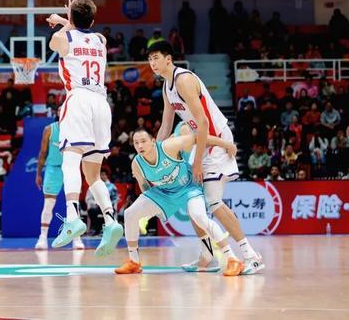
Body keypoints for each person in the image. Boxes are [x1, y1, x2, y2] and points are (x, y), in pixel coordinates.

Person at [149, 41, 264, 275]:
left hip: (215, 139)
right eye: (150, 59)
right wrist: (154, 155)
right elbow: (166, 125)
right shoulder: (167, 87)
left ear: (168, 59)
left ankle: (251, 256)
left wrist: (197, 162)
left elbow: (202, 122)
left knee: (213, 201)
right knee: (193, 200)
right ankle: (208, 257)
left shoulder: (184, 80)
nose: (152, 63)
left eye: (156, 58)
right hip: (202, 141)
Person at [46, 0, 124, 256]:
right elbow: (83, 29)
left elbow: (59, 39)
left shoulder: (62, 38)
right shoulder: (101, 40)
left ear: (72, 17)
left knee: (70, 160)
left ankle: (72, 216)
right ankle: (110, 220)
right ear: (92, 20)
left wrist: (64, 22)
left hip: (78, 98)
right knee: (93, 174)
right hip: (101, 104)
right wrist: (67, 18)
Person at [114, 128, 244, 275]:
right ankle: (134, 262)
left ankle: (233, 259)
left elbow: (198, 136)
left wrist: (227, 144)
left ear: (153, 141)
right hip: (164, 193)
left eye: (143, 141)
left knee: (199, 217)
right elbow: (145, 187)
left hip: (188, 188)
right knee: (130, 213)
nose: (140, 146)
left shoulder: (168, 146)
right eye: (136, 143)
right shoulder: (136, 164)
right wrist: (150, 209)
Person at [34, 120, 85, 249]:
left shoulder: (75, 127)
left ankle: (77, 238)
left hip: (70, 167)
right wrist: (38, 173)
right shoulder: (49, 129)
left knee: (73, 204)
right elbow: (43, 152)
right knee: (48, 204)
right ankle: (42, 237)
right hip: (53, 169)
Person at [86, 171, 119, 235]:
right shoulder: (93, 185)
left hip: (109, 207)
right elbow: (88, 199)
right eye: (101, 175)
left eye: (104, 175)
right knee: (91, 211)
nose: (102, 176)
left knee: (110, 211)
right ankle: (97, 229)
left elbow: (115, 199)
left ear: (106, 176)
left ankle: (109, 229)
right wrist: (95, 203)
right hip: (97, 207)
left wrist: (109, 204)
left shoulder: (112, 186)